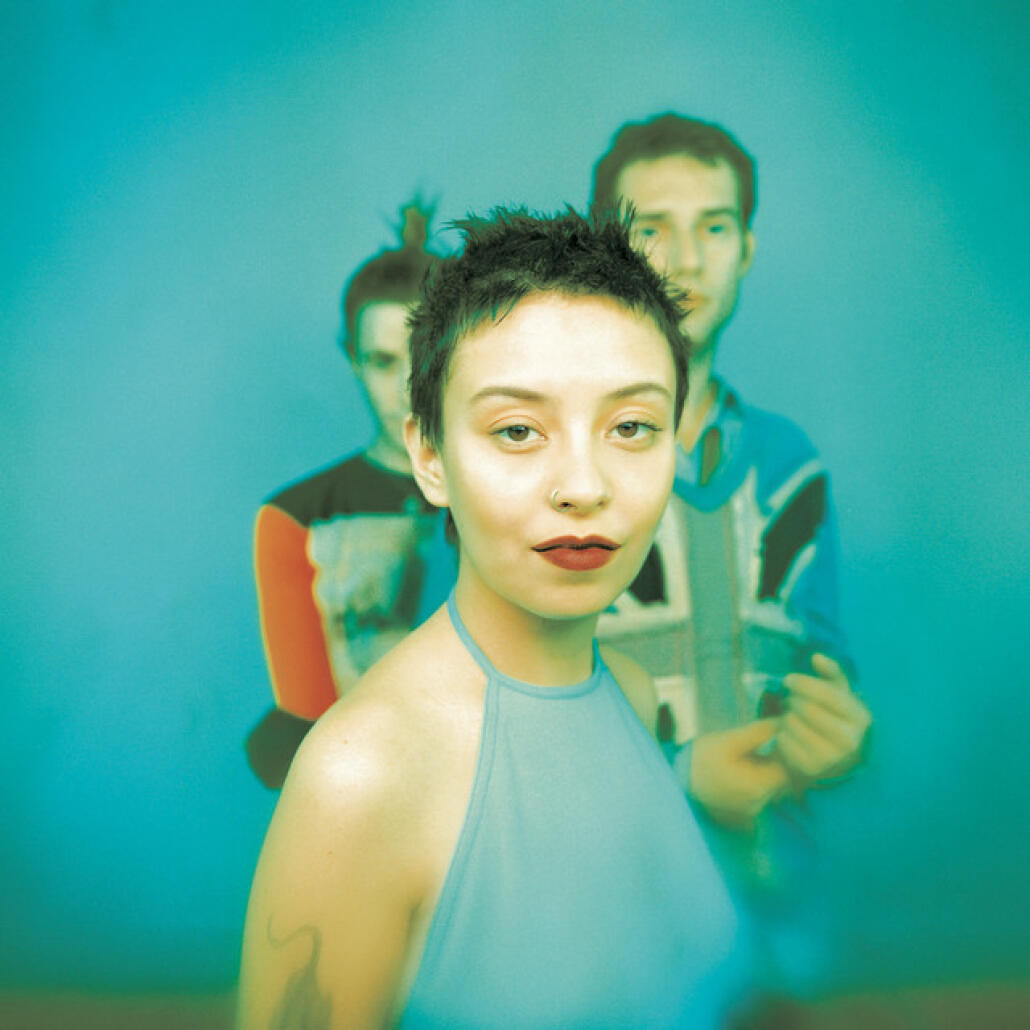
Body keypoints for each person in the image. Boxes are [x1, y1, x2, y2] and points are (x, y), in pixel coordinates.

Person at [237, 207, 757, 1029]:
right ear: (430, 456)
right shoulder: (362, 777)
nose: (583, 486)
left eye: (632, 426)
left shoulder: (630, 691)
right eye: (517, 430)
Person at [590, 113, 872, 980]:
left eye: (714, 227)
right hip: (603, 914)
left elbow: (820, 657)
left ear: (747, 248)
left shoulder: (792, 463)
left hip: (776, 909)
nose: (687, 257)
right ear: (609, 249)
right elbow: (498, 698)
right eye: (654, 227)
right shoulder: (558, 460)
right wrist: (680, 775)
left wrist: (838, 739)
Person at [246, 202, 456, 788]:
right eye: (383, 361)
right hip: (367, 794)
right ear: (352, 361)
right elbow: (307, 712)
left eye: (425, 356)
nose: (407, 387)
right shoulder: (297, 517)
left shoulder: (515, 489)